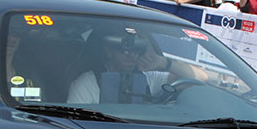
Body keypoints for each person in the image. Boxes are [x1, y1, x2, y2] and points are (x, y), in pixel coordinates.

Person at [67, 28, 205, 104]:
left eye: (135, 51)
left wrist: (163, 63)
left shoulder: (148, 78)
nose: (131, 56)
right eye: (124, 51)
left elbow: (200, 78)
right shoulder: (87, 83)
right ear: (109, 52)